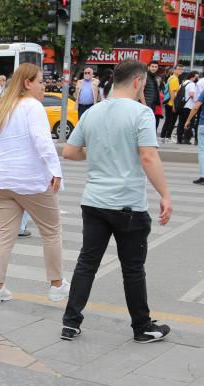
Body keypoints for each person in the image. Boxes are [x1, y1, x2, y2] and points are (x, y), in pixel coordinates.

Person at [62, 60, 173, 344]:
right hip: (128, 206)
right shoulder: (141, 113)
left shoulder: (93, 112)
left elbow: (71, 152)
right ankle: (142, 327)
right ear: (138, 82)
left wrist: (97, 153)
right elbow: (148, 156)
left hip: (94, 201)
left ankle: (70, 323)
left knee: (87, 262)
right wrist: (165, 194)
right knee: (132, 268)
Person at [0, 63, 68, 305]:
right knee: (51, 231)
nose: (43, 85)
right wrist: (55, 170)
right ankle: (56, 285)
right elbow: (43, 142)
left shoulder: (2, 107)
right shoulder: (32, 107)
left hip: (1, 182)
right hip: (30, 181)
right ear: (27, 83)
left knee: (4, 234)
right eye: (39, 81)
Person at [183, 85, 204, 184]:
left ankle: (203, 176)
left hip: (203, 125)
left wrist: (188, 120)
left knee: (202, 150)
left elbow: (196, 107)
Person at [161, 66, 183, 141]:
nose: (180, 70)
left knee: (167, 120)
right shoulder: (175, 79)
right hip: (171, 103)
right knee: (171, 121)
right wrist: (174, 105)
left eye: (181, 69)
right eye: (179, 69)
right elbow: (172, 93)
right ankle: (167, 137)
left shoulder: (171, 77)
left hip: (168, 102)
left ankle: (162, 136)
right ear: (174, 70)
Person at [176, 71, 198, 145]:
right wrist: (197, 100)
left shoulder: (183, 83)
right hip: (189, 106)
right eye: (196, 77)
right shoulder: (191, 84)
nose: (196, 79)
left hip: (182, 106)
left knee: (181, 123)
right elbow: (192, 94)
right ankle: (186, 139)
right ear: (192, 77)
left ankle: (179, 139)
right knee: (189, 123)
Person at [140, 61, 161, 127]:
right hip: (145, 105)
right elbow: (140, 91)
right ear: (148, 67)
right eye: (152, 66)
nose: (154, 68)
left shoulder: (155, 77)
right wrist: (144, 104)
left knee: (149, 124)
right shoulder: (145, 76)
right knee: (144, 123)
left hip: (152, 105)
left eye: (155, 67)